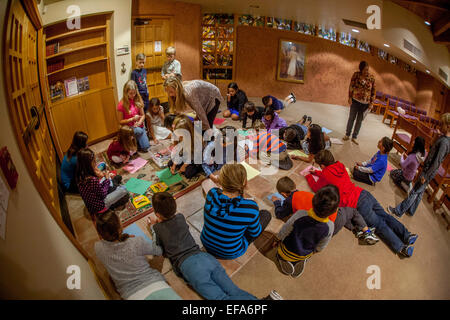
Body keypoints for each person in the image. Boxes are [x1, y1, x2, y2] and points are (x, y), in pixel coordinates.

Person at [148, 192, 282, 300]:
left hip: (189, 265)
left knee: (219, 297)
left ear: (157, 214)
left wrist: (153, 228)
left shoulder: (157, 228)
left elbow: (158, 251)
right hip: (204, 256)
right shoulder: (181, 217)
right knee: (233, 290)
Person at [308, 150, 418, 257]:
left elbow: (317, 188)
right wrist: (318, 172)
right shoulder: (339, 165)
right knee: (385, 216)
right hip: (363, 193)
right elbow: (329, 175)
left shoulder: (326, 174)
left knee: (380, 224)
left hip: (357, 204)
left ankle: (401, 247)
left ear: (322, 165)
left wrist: (308, 175)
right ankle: (407, 235)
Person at [94, 210, 181, 300]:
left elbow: (113, 245)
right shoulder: (137, 242)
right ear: (119, 228)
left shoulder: (98, 248)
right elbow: (158, 251)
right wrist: (153, 228)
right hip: (154, 284)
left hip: (130, 294)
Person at [272, 177, 378, 244]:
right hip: (337, 219)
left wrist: (277, 202)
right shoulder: (303, 194)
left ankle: (360, 230)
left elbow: (279, 214)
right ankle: (364, 230)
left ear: (283, 194)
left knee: (343, 216)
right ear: (294, 186)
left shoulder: (289, 201)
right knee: (352, 211)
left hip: (326, 229)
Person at [201, 163, 272, 260]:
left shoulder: (212, 193)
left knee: (241, 221)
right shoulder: (251, 208)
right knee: (266, 215)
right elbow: (255, 233)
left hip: (207, 244)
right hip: (230, 252)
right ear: (244, 182)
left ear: (221, 181)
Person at [388, 113, 450, 218]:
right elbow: (433, 149)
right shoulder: (444, 139)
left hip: (428, 171)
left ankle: (398, 211)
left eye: (442, 124)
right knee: (420, 192)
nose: (440, 126)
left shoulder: (444, 142)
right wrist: (436, 137)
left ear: (448, 126)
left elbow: (436, 162)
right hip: (429, 170)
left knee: (415, 191)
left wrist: (425, 176)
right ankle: (411, 210)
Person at [274, 185, 337, 278]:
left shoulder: (301, 214)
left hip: (287, 249)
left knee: (279, 253)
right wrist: (314, 251)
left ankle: (283, 260)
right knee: (305, 254)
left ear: (313, 201)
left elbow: (286, 228)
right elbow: (322, 246)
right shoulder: (330, 226)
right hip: (305, 253)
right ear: (334, 211)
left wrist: (277, 239)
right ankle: (300, 261)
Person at [76, 148, 129, 217]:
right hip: (100, 206)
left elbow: (96, 188)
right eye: (94, 162)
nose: (95, 163)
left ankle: (114, 184)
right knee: (124, 190)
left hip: (96, 196)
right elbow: (102, 194)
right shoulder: (91, 179)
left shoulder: (80, 173)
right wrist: (106, 179)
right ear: (89, 164)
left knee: (116, 178)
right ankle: (111, 203)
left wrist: (103, 176)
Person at [343, 61, 376, 145]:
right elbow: (351, 86)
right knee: (351, 118)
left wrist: (371, 103)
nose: (366, 71)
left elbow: (373, 91)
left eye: (367, 70)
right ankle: (347, 134)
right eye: (365, 70)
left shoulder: (371, 78)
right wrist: (350, 97)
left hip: (365, 104)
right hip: (355, 101)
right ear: (361, 69)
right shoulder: (356, 75)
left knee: (359, 121)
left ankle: (354, 137)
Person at [117, 80, 150, 152]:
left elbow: (143, 115)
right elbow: (120, 121)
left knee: (146, 148)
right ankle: (133, 140)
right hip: (129, 129)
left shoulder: (138, 99)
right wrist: (132, 119)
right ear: (126, 93)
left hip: (139, 127)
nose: (133, 95)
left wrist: (139, 122)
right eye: (131, 93)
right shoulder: (121, 104)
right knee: (138, 131)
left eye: (134, 93)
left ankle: (136, 141)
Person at [168, 114, 203, 179]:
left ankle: (196, 168)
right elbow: (180, 152)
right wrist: (174, 164)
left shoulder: (196, 140)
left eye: (180, 135)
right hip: (186, 156)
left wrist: (185, 165)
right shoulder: (180, 137)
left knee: (188, 174)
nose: (178, 137)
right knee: (170, 163)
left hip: (195, 159)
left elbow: (194, 156)